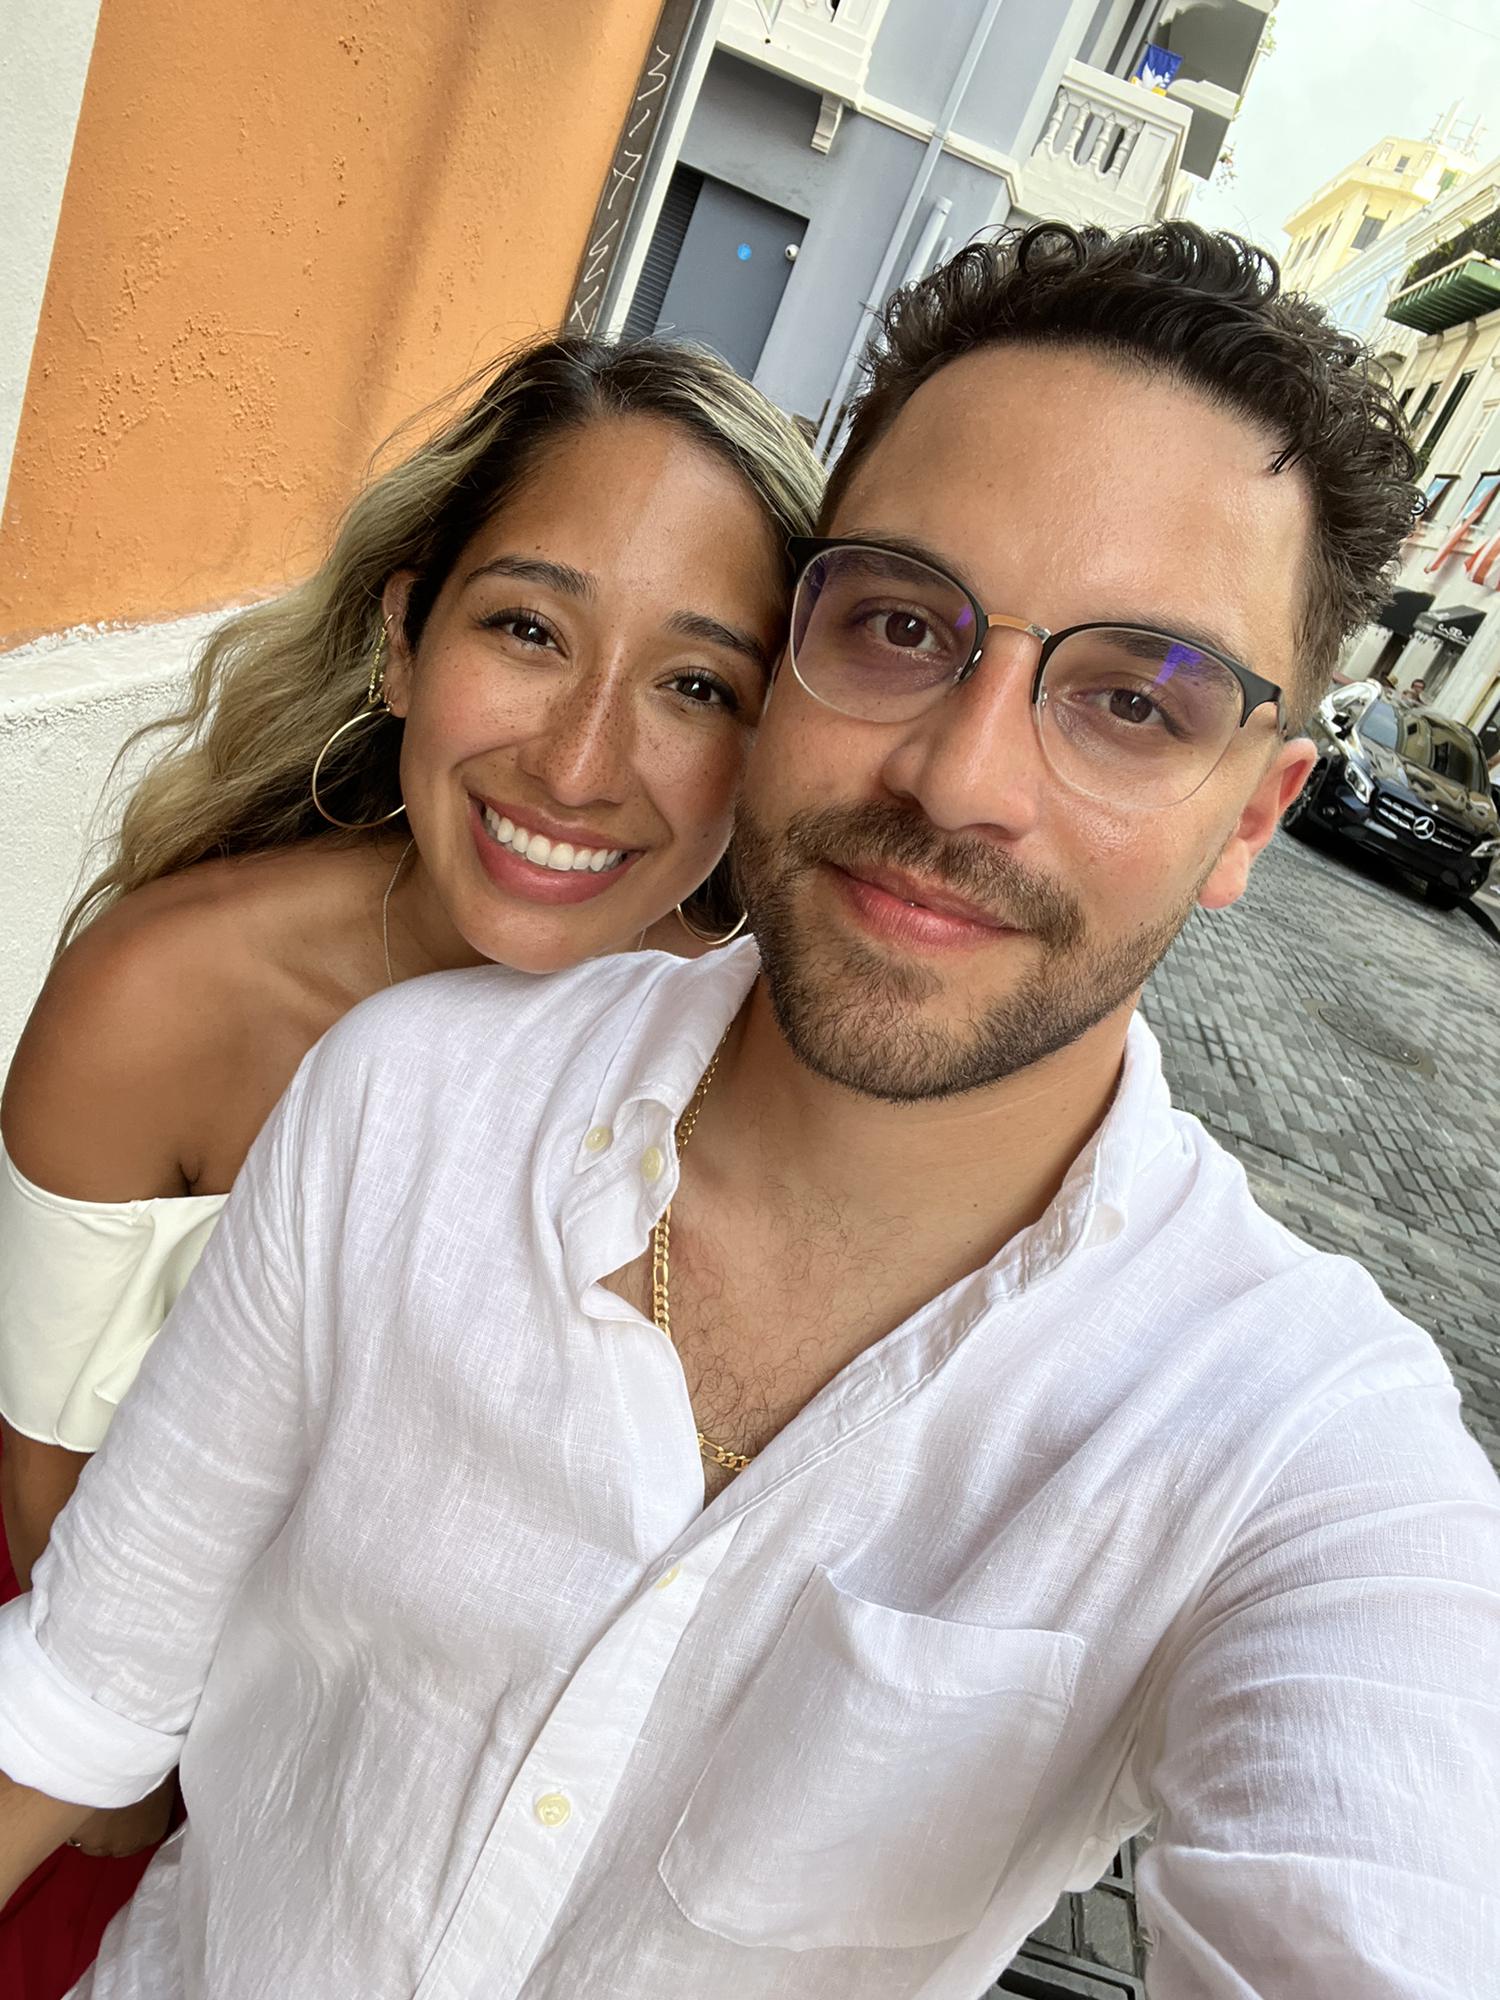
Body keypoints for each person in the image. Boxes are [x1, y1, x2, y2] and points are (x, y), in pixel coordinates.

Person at [3, 222, 1499, 1999]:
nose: (963, 774)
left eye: (1134, 700)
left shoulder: (1300, 1448)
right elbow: (91, 1673)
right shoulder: (404, 1091)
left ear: (1256, 815)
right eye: (899, 626)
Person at [0, 333, 821, 1997]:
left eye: (695, 684)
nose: (580, 762)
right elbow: (54, 1517)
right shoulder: (169, 1000)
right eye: (529, 628)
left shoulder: (759, 1065)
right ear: (401, 639)